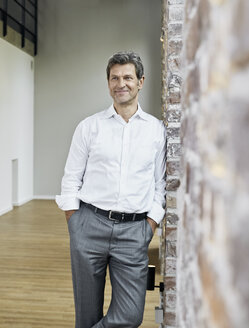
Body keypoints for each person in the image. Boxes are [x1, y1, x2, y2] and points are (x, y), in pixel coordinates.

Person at [56, 51, 166, 328]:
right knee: (87, 314)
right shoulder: (89, 127)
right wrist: (75, 222)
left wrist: (149, 224)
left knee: (130, 314)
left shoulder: (156, 131)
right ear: (108, 83)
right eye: (114, 78)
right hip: (88, 225)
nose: (121, 84)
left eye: (128, 77)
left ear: (141, 81)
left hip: (134, 230)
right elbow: (71, 178)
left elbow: (160, 183)